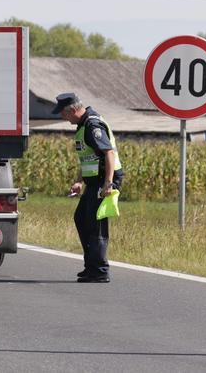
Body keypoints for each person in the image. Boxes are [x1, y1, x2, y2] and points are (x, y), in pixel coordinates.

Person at [53, 93, 124, 283]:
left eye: (63, 113)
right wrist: (79, 181)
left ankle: (100, 270)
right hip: (94, 180)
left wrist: (108, 183)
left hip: (103, 180)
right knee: (82, 219)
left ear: (73, 110)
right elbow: (88, 158)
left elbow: (108, 153)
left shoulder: (92, 125)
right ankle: (91, 266)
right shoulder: (83, 125)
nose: (62, 117)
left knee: (96, 225)